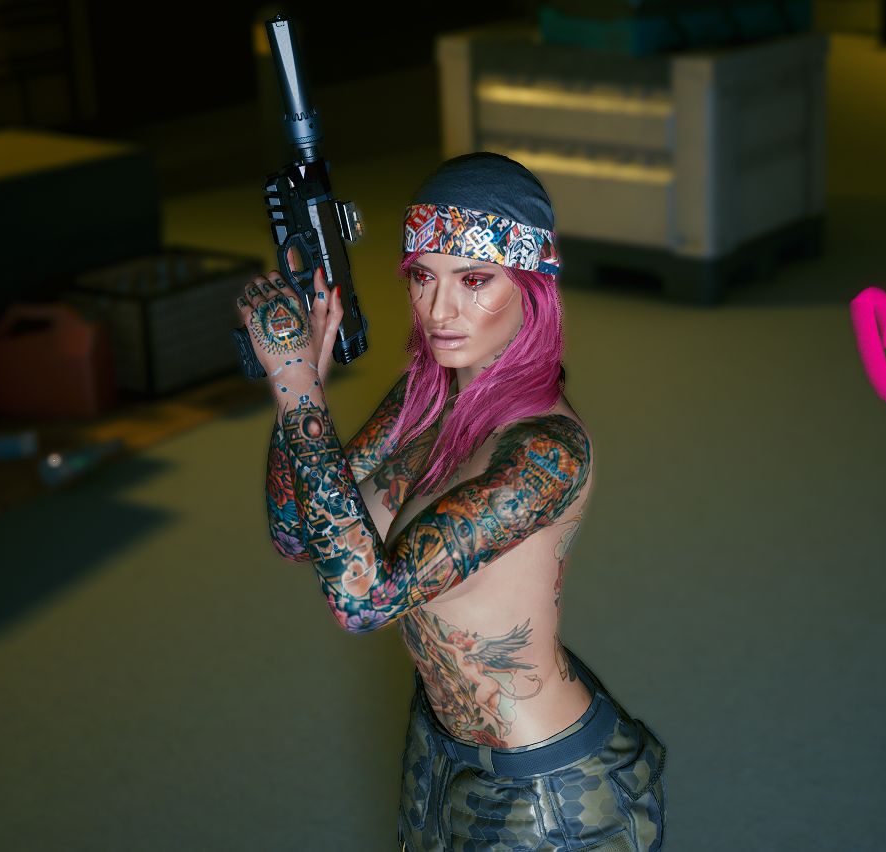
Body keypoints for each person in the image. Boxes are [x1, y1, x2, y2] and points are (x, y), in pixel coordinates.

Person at [238, 152, 667, 851]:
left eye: (474, 280)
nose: (440, 311)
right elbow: (296, 533)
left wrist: (297, 389)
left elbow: (362, 600)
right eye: (423, 278)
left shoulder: (547, 452)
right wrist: (300, 388)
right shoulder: (427, 395)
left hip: (548, 794)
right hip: (436, 750)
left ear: (531, 287)